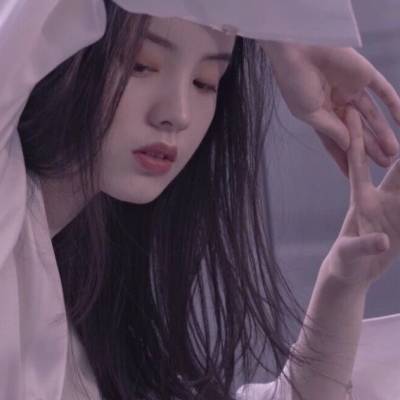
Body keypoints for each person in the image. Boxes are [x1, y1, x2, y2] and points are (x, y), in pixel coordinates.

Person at [1, 0, 400, 399]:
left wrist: (342, 288)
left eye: (205, 82)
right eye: (142, 65)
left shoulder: (83, 315)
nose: (178, 113)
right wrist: (282, 36)